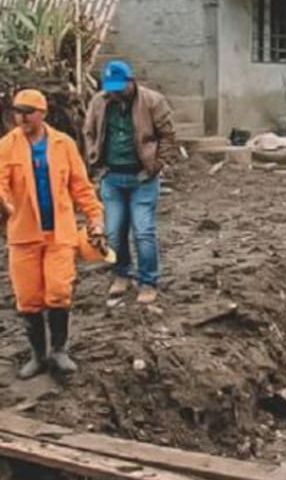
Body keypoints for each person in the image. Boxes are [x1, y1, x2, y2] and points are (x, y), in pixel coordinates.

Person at [0, 89, 105, 378]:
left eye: (28, 112)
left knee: (59, 290)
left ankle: (59, 350)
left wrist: (95, 219)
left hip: (59, 232)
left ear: (42, 114)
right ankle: (38, 355)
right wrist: (5, 202)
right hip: (23, 234)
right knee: (28, 297)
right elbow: (2, 184)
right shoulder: (7, 146)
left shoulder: (63, 144)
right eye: (17, 112)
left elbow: (81, 186)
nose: (21, 118)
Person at [83, 59, 176, 305]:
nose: (114, 92)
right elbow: (89, 131)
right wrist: (95, 160)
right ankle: (121, 274)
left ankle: (148, 281)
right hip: (112, 177)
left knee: (143, 231)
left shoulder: (152, 101)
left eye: (119, 87)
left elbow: (167, 135)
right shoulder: (99, 102)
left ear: (130, 81)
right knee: (114, 232)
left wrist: (156, 165)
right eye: (110, 87)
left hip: (142, 177)